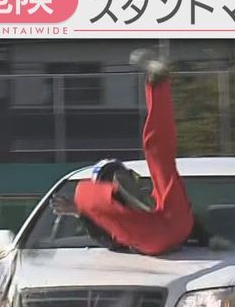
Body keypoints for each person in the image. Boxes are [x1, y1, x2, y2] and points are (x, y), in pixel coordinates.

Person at [52, 52, 194, 256]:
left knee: (86, 195)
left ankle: (157, 80)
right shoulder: (150, 198)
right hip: (177, 226)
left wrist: (81, 211)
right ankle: (158, 83)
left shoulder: (107, 216)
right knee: (160, 157)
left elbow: (110, 243)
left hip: (153, 233)